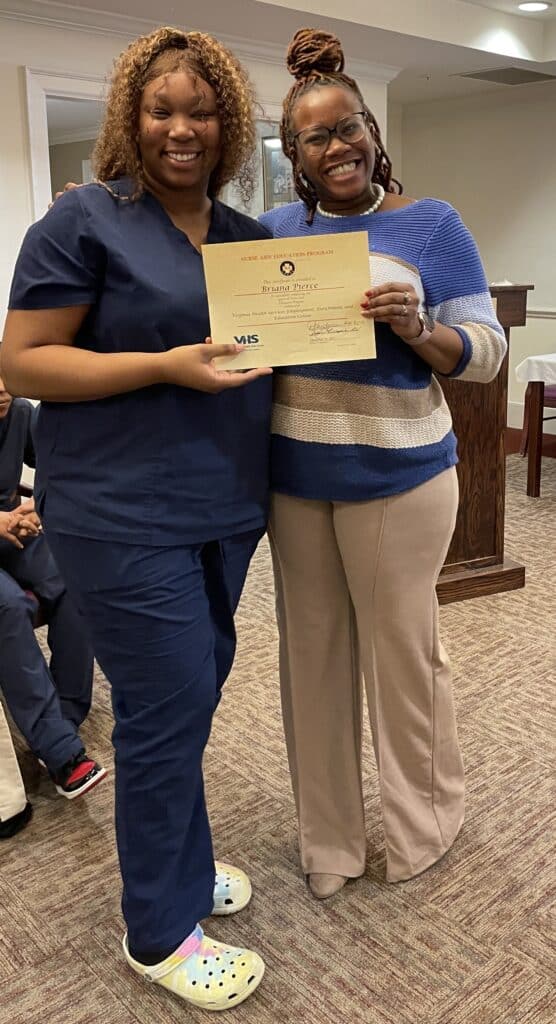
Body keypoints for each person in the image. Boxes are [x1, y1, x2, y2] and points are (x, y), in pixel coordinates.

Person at [1, 27, 272, 1012]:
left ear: (228, 121)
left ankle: (184, 867)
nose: (181, 127)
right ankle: (159, 930)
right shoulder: (83, 223)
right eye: (161, 109)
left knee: (191, 698)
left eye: (200, 110)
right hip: (121, 513)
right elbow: (24, 361)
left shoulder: (246, 238)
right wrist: (164, 363)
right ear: (131, 118)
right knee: (164, 712)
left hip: (225, 508)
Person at [259, 28, 508, 900]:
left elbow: (486, 353)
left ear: (372, 129)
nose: (341, 146)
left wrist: (419, 327)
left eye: (351, 126)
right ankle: (329, 842)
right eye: (318, 136)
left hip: (401, 478)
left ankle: (422, 825)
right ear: (292, 155)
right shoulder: (272, 234)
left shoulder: (432, 225)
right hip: (294, 482)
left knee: (404, 657)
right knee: (311, 659)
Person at [0, 375, 104, 800]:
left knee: (73, 579)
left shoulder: (21, 414)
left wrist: (38, 505)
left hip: (13, 533)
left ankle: (61, 720)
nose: (2, 390)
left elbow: (63, 462)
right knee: (8, 606)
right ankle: (61, 752)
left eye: (4, 377)